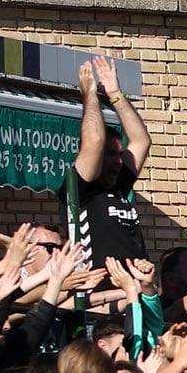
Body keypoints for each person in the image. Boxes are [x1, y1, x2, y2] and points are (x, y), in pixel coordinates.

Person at [68, 55, 154, 268]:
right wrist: (90, 95)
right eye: (110, 154)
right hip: (101, 293)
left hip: (136, 291)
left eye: (119, 154)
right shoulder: (82, 190)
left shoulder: (119, 187)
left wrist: (115, 95)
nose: (118, 161)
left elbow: (141, 141)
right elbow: (94, 141)